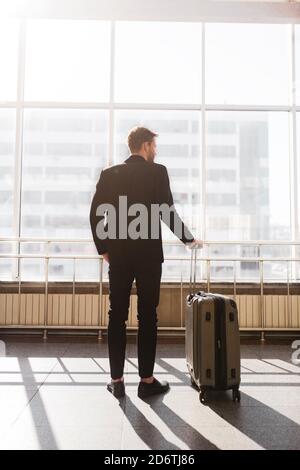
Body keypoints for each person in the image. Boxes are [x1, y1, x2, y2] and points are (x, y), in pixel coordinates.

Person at [90, 126, 202, 398]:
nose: (156, 150)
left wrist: (104, 248)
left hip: (119, 255)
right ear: (145, 145)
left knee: (116, 315)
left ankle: (116, 381)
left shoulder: (109, 174)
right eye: (153, 145)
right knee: (147, 316)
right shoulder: (157, 172)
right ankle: (146, 380)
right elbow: (166, 212)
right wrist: (189, 240)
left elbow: (95, 214)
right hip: (149, 256)